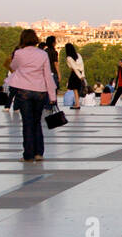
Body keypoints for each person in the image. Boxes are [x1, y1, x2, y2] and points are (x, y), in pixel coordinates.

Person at [6, 28, 58, 161]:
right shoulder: (42, 54)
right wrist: (52, 96)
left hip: (24, 91)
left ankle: (28, 154)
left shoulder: (19, 53)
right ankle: (39, 153)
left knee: (27, 123)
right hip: (40, 91)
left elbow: (14, 66)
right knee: (37, 122)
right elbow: (47, 75)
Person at [64, 42, 86, 110]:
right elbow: (82, 65)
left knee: (75, 90)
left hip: (74, 74)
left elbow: (73, 68)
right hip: (80, 72)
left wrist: (80, 76)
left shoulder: (69, 58)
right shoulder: (78, 55)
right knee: (77, 89)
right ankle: (77, 103)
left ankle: (77, 104)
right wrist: (82, 75)